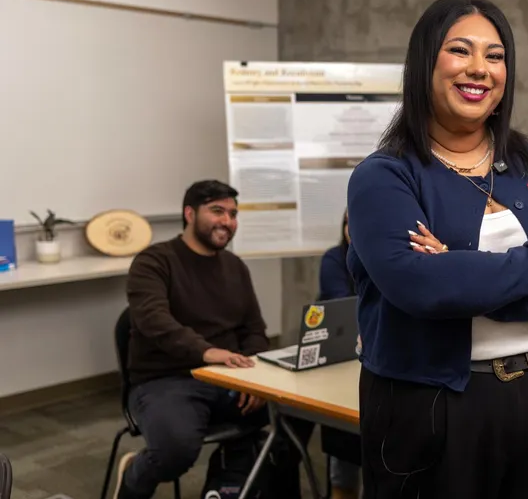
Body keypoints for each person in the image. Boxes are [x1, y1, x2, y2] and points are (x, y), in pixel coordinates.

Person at [346, 0, 528, 498]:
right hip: (431, 407)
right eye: (460, 51)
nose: (479, 69)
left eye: (495, 56)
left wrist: (464, 277)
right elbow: (423, 290)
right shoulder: (384, 177)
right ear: (426, 61)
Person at [112, 180, 281, 499]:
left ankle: (222, 489)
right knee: (175, 450)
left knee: (280, 424)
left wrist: (258, 380)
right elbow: (153, 322)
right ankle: (134, 474)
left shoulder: (235, 267)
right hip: (165, 379)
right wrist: (207, 352)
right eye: (217, 211)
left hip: (228, 376)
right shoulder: (153, 262)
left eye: (233, 214)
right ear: (189, 213)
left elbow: (254, 330)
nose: (227, 221)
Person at [317, 210, 362, 499]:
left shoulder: (393, 256)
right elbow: (342, 305)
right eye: (348, 222)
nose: (351, 228)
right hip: (344, 358)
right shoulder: (335, 258)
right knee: (344, 441)